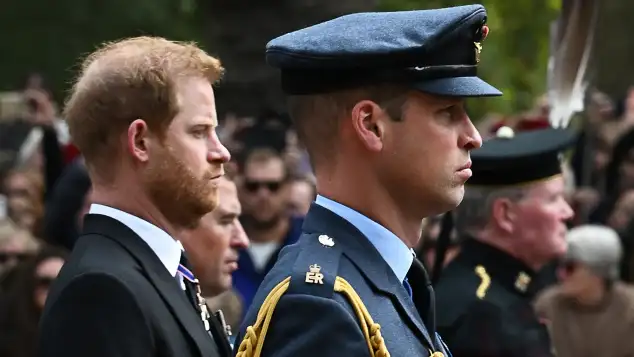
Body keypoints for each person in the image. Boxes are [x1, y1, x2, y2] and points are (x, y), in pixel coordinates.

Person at [234, 5, 501, 357]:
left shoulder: (392, 280)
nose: (472, 137)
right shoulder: (320, 307)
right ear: (371, 125)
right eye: (448, 112)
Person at [37, 37, 232, 357]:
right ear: (140, 142)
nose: (220, 151)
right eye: (199, 132)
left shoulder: (158, 269)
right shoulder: (102, 292)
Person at [433, 126, 576, 357]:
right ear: (505, 214)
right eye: (553, 199)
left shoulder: (495, 297)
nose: (567, 212)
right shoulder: (481, 315)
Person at [535, 224, 634, 357]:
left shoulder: (630, 309)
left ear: (598, 271)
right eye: (560, 265)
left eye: (570, 268)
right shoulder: (547, 307)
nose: (560, 274)